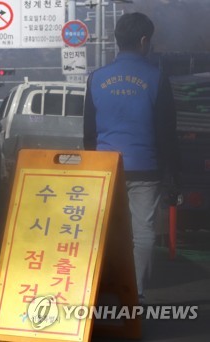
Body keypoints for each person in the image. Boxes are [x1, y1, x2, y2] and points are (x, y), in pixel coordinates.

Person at [83, 12, 179, 302]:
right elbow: (167, 133)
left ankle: (100, 288)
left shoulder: (96, 78)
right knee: (144, 232)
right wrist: (173, 176)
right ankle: (135, 294)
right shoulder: (157, 78)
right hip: (145, 169)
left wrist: (91, 167)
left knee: (103, 230)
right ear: (143, 40)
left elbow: (88, 132)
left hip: (105, 169)